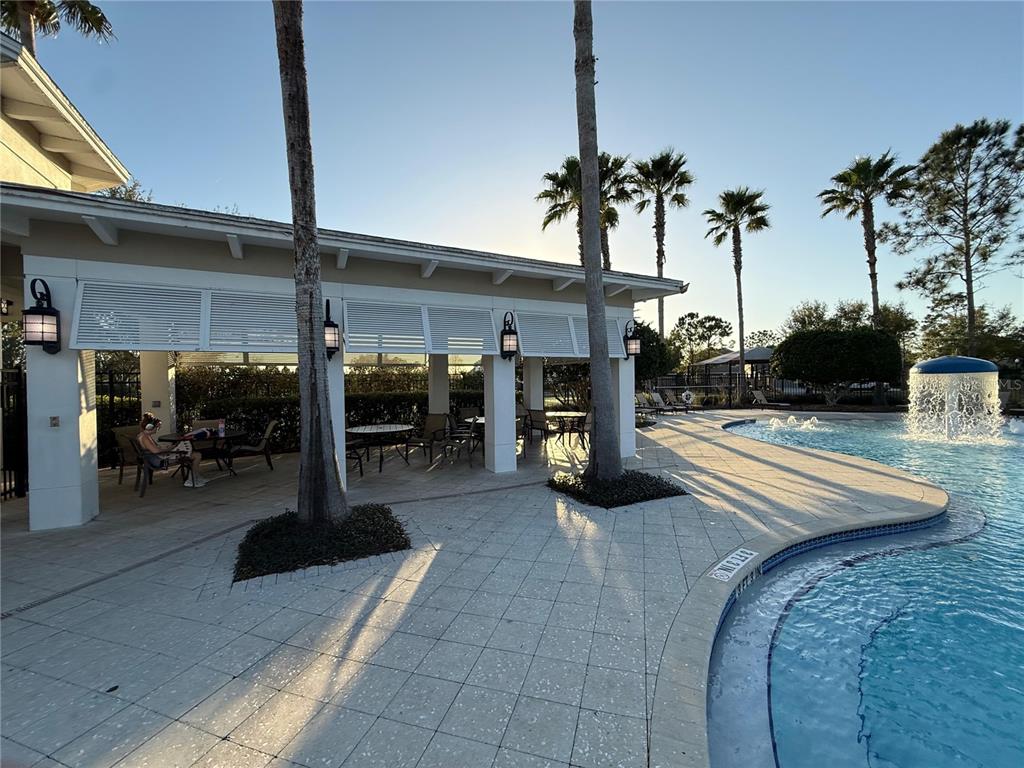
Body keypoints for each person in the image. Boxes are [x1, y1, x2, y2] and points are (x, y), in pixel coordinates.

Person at [136, 413, 207, 488]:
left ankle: (196, 477)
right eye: (157, 427)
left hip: (156, 458)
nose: (157, 429)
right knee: (197, 455)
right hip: (159, 460)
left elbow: (155, 449)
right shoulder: (145, 437)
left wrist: (169, 447)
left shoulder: (142, 435)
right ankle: (191, 480)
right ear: (150, 427)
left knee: (188, 451)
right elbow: (156, 451)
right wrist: (170, 448)